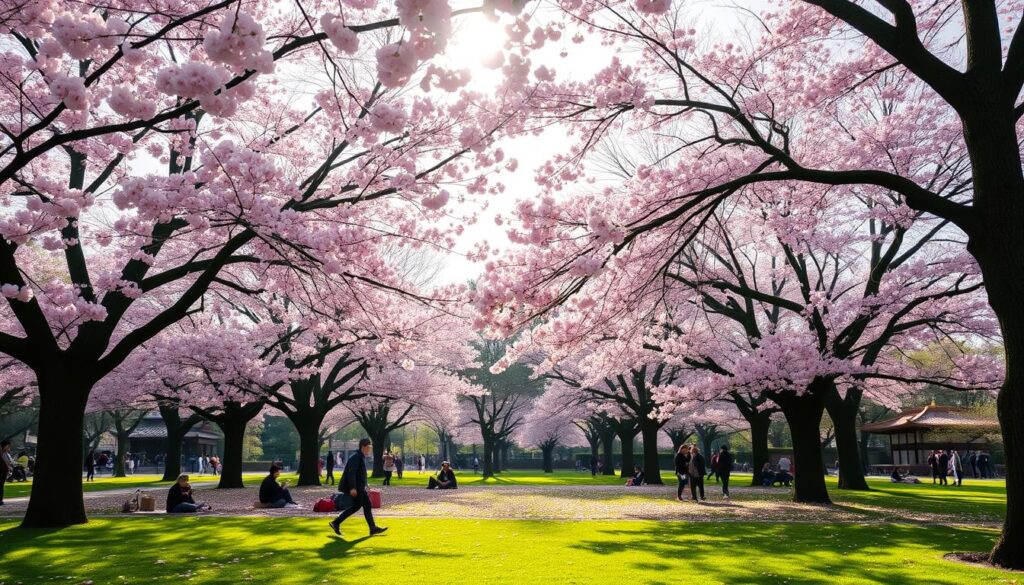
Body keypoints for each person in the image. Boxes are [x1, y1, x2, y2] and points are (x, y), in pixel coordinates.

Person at [329, 438, 387, 537]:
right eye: (369, 447)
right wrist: (353, 488)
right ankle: (337, 522)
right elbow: (351, 473)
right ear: (363, 447)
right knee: (361, 505)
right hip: (356, 487)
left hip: (359, 486)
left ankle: (337, 522)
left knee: (362, 505)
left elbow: (360, 474)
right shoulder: (356, 457)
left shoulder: (360, 457)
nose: (370, 450)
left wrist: (366, 485)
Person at [0, 440, 13, 505]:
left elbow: (9, 462)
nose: (9, 448)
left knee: (1, 486)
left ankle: (0, 500)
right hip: (2, 471)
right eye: (8, 446)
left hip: (4, 471)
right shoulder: (2, 453)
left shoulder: (6, 454)